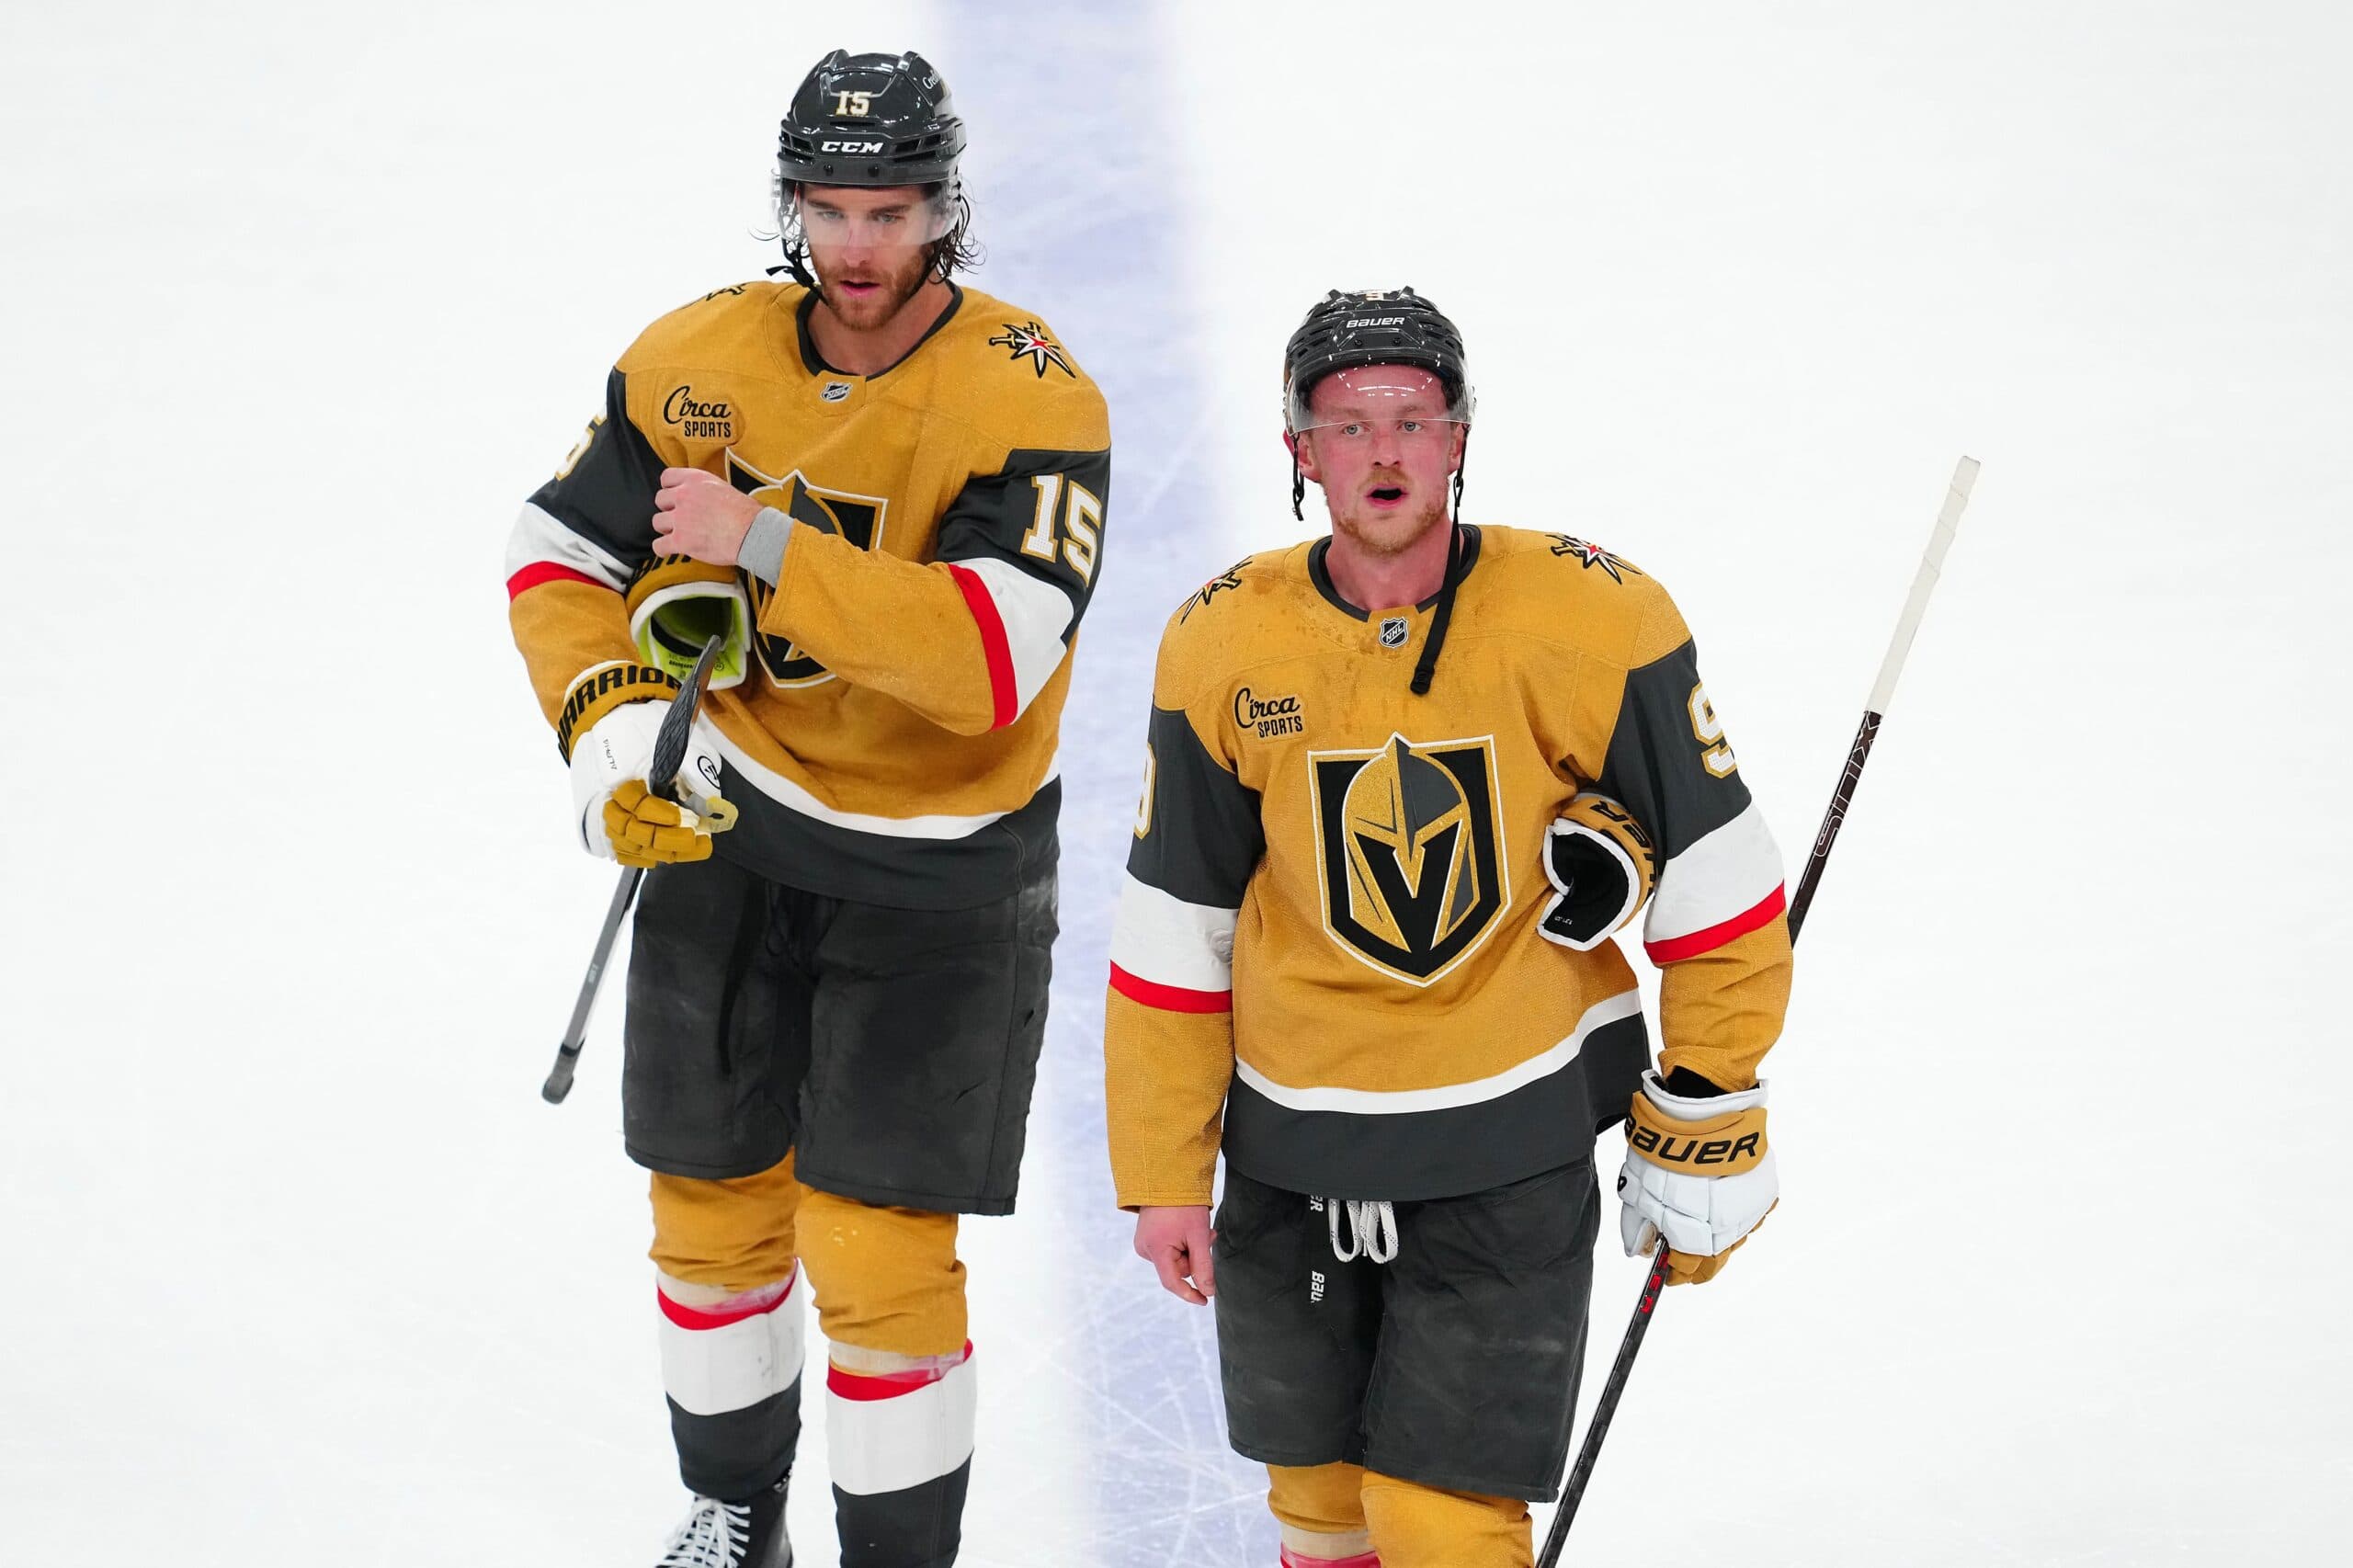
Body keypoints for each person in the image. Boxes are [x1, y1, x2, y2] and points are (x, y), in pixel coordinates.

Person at [505, 49, 1109, 1568]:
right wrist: (616, 727)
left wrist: (760, 541)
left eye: (888, 211)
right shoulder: (694, 356)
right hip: (736, 829)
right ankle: (736, 1515)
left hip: (938, 876)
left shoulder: (1031, 393)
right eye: (828, 208)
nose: (855, 244)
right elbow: (556, 553)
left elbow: (988, 661)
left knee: (876, 1253)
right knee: (709, 1212)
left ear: (945, 208)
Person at [1103, 289, 1790, 1568]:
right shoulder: (1219, 640)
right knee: (1320, 1506)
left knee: (1440, 1518)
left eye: (1413, 420)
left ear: (1460, 437)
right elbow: (1175, 929)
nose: (1384, 451)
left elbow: (1717, 873)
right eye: (1347, 424)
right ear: (1299, 449)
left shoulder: (1595, 617)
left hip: (1506, 1142)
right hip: (1294, 1146)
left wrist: (1710, 1091)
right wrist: (1163, 1171)